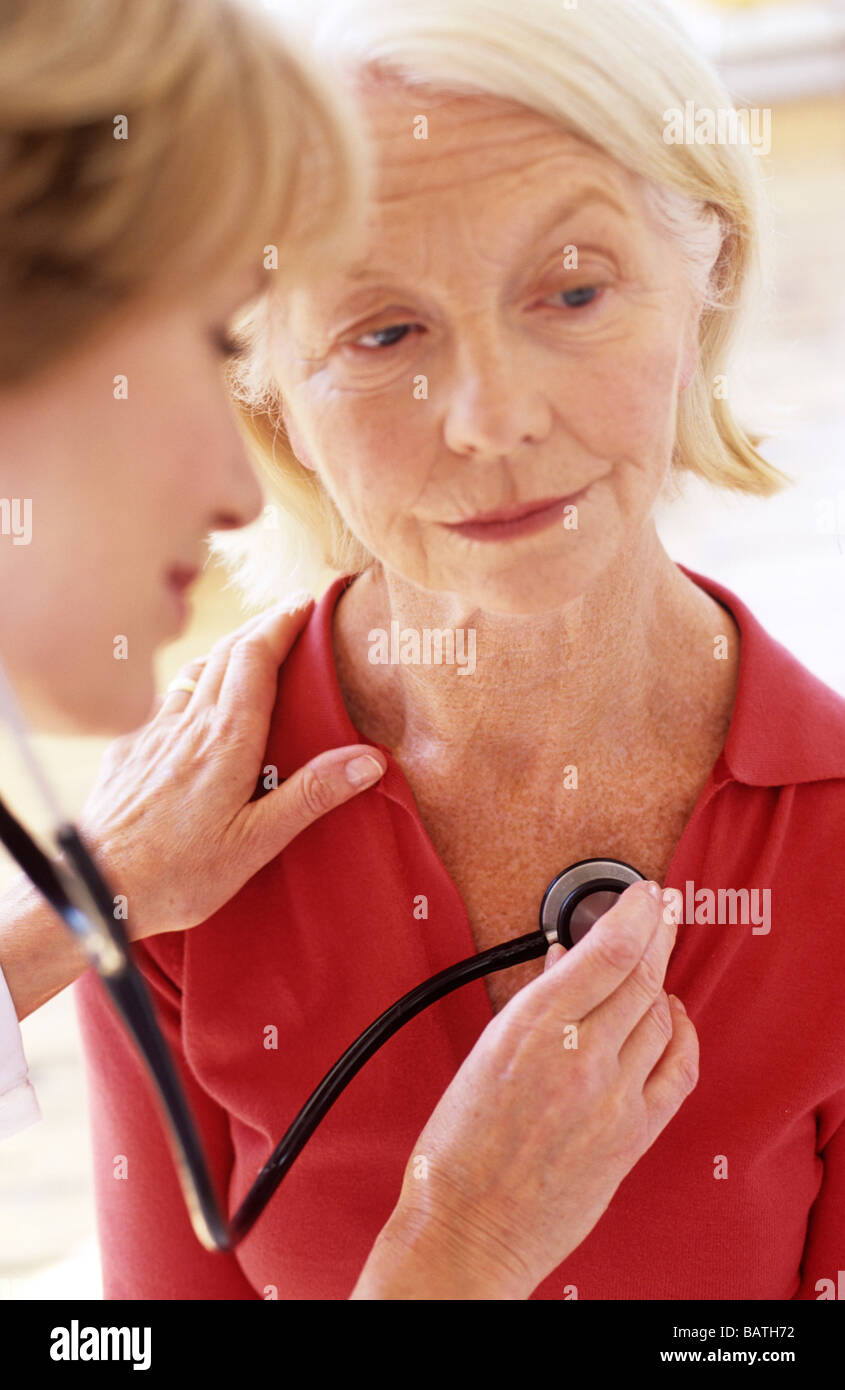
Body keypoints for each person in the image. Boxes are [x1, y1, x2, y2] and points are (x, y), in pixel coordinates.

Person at [75, 0, 845, 1300]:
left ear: (701, 273)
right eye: (384, 333)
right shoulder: (174, 839)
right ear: (271, 391)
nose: (491, 418)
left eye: (575, 288)